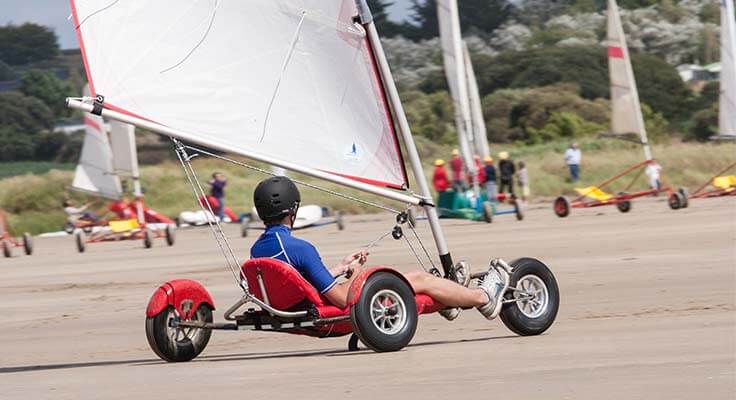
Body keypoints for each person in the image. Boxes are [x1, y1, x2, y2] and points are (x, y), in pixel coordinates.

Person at [249, 176, 510, 321]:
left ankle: (448, 299)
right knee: (420, 278)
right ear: (293, 210)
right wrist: (356, 273)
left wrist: (340, 268)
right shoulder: (300, 247)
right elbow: (341, 299)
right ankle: (484, 298)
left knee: (418, 283)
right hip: (333, 309)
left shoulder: (257, 249)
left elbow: (296, 280)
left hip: (297, 306)